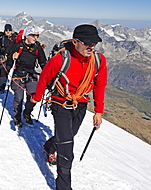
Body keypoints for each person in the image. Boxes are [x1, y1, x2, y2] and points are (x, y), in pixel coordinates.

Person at [30, 24, 107, 190]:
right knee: (67, 148)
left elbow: (100, 85)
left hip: (81, 103)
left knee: (71, 133)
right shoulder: (61, 59)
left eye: (94, 43)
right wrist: (37, 98)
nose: (91, 46)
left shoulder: (98, 60)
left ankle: (49, 146)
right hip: (60, 103)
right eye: (87, 43)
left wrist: (99, 111)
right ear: (75, 41)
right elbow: (44, 78)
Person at [11, 26, 47, 126]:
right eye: (33, 35)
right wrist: (12, 58)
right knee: (19, 98)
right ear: (27, 36)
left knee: (34, 96)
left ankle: (27, 113)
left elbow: (43, 62)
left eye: (37, 36)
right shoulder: (18, 46)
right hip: (18, 74)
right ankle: (17, 117)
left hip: (31, 74)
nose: (36, 38)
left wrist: (48, 75)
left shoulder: (37, 48)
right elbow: (9, 59)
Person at [0, 24, 16, 93]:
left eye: (9, 30)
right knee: (2, 72)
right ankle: (2, 87)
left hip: (11, 58)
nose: (8, 31)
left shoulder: (15, 38)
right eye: (6, 30)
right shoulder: (2, 38)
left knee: (7, 70)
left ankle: (5, 81)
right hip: (2, 57)